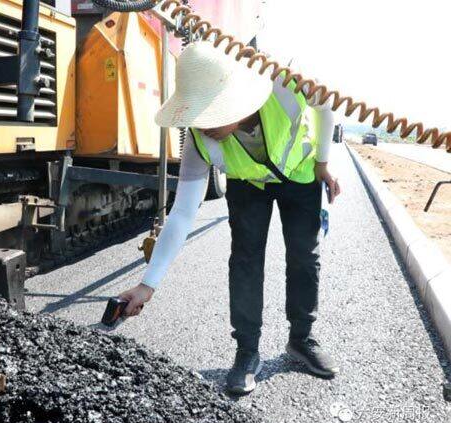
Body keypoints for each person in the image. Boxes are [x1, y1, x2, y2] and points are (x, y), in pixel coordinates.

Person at [118, 40, 341, 395]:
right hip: (248, 186)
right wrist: (148, 284)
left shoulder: (282, 87)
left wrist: (322, 163)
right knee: (245, 261)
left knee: (304, 257)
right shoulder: (198, 139)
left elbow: (326, 107)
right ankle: (247, 352)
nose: (202, 125)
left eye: (210, 112)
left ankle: (301, 338)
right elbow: (182, 213)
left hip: (299, 177)